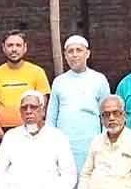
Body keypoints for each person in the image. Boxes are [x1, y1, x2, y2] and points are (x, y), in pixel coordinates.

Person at [46, 35, 111, 171]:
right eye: (70, 51)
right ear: (65, 55)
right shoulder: (59, 81)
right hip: (64, 141)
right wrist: (50, 140)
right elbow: (51, 116)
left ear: (87, 53)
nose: (74, 55)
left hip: (91, 141)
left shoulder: (99, 79)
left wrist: (105, 140)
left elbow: (107, 114)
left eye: (78, 50)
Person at [0, 30, 51, 142]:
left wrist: (33, 133)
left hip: (32, 133)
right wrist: (4, 138)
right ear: (3, 48)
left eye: (18, 45)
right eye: (10, 45)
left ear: (25, 47)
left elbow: (43, 108)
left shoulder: (37, 72)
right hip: (2, 133)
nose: (14, 49)